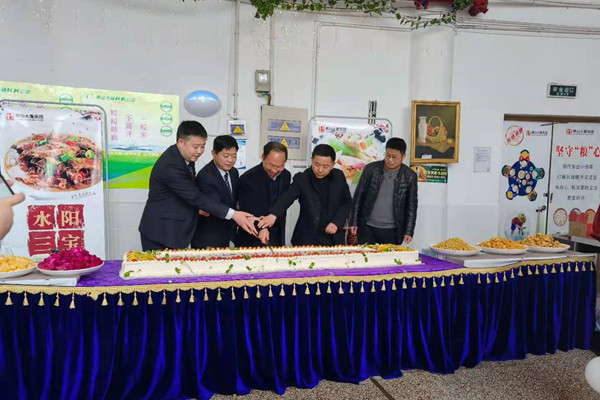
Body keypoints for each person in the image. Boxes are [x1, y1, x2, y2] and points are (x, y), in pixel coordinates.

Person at [138, 122, 256, 251]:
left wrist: (197, 209)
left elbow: (181, 194)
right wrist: (234, 215)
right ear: (181, 142)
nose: (199, 151)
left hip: (174, 230)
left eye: (202, 146)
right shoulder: (171, 165)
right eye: (195, 147)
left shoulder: (185, 158)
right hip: (161, 232)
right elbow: (195, 196)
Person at [258, 144, 352, 246]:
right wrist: (273, 215)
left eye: (325, 166)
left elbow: (347, 202)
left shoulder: (339, 176)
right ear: (312, 160)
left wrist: (336, 222)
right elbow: (287, 197)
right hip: (306, 238)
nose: (320, 170)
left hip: (333, 238)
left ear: (333, 164)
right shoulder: (302, 179)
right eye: (316, 164)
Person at [349, 137, 418, 245]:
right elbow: (358, 196)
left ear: (403, 156)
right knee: (366, 255)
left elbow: (411, 206)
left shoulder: (409, 176)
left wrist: (409, 231)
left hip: (392, 230)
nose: (390, 160)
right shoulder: (371, 169)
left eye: (394, 157)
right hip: (367, 227)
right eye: (388, 155)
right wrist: (353, 222)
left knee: (389, 255)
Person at [236, 142, 291, 247]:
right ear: (263, 158)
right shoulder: (248, 178)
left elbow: (283, 201)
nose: (275, 170)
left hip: (277, 235)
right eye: (271, 165)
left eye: (280, 166)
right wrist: (261, 228)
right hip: (252, 237)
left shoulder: (286, 175)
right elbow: (246, 210)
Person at [191, 135, 242, 248]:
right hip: (208, 236)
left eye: (234, 156)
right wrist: (238, 215)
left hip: (228, 233)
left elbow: (233, 199)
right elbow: (214, 206)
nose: (230, 160)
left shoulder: (234, 172)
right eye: (226, 156)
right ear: (214, 153)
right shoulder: (205, 176)